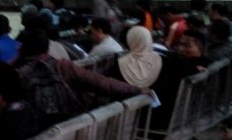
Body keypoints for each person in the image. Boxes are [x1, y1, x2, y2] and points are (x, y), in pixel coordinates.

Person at [16, 28, 145, 126]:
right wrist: (137, 90)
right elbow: (102, 83)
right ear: (47, 48)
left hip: (34, 131)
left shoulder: (17, 74)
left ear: (22, 48)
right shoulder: (62, 67)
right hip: (70, 125)